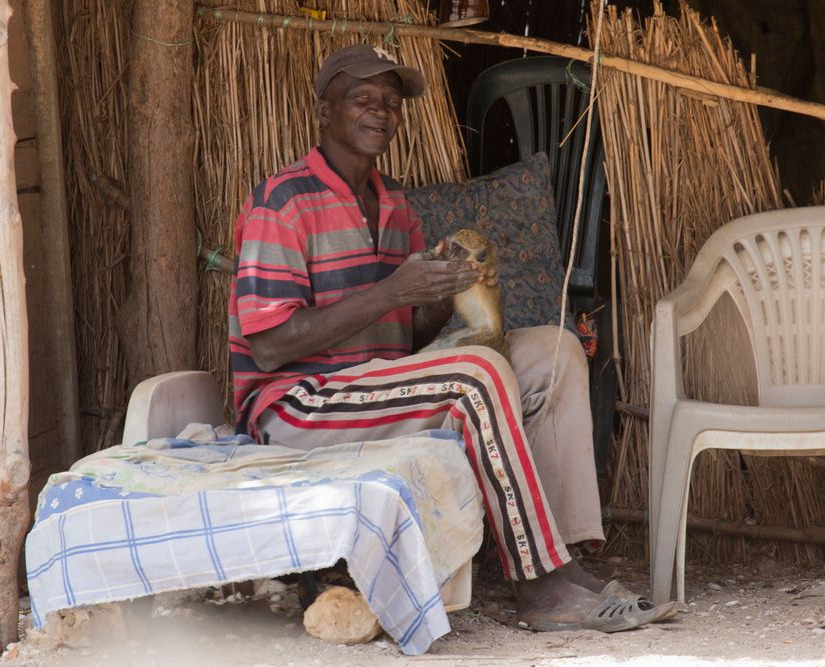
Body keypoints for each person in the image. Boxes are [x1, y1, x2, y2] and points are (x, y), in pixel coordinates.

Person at [228, 43, 666, 631]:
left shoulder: (393, 204)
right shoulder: (281, 203)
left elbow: (406, 338)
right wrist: (393, 290)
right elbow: (270, 346)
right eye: (362, 98)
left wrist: (438, 297)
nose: (380, 111)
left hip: (375, 390)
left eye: (390, 101)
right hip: (299, 405)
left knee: (555, 351)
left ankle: (564, 550)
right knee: (476, 375)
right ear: (324, 110)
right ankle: (543, 586)